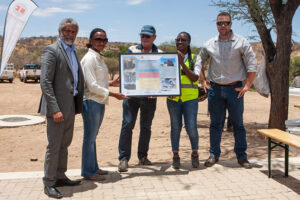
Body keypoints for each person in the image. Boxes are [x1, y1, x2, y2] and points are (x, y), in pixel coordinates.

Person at [199, 12, 257, 169]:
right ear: (216, 25)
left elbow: (252, 64)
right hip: (215, 90)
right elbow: (200, 62)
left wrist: (247, 86)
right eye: (219, 23)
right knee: (215, 124)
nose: (222, 26)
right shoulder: (210, 43)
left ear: (231, 24)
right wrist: (203, 81)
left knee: (238, 124)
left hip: (234, 89)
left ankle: (242, 157)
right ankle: (214, 155)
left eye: (225, 23)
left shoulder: (241, 42)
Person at [39, 18, 84, 199]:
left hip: (70, 105)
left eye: (73, 32)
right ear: (60, 32)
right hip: (57, 108)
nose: (70, 34)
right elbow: (45, 82)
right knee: (54, 145)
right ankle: (49, 183)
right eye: (67, 31)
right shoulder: (51, 50)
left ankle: (60, 176)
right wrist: (54, 109)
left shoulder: (73, 51)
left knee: (64, 144)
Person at [80, 28, 127, 180]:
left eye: (104, 40)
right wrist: (113, 94)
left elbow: (99, 81)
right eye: (98, 39)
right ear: (91, 40)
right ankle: (88, 172)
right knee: (89, 137)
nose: (101, 42)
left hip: (99, 101)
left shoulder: (99, 57)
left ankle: (93, 167)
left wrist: (111, 84)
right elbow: (92, 85)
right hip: (91, 102)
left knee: (93, 136)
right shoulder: (89, 59)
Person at [118, 25, 162, 172]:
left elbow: (162, 77)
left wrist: (158, 90)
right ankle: (124, 159)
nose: (144, 39)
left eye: (147, 36)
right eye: (142, 36)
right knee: (127, 125)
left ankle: (143, 156)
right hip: (132, 97)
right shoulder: (132, 50)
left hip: (150, 97)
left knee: (146, 127)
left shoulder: (160, 53)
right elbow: (128, 71)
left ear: (154, 37)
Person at [167, 32, 201, 169]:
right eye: (178, 39)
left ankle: (195, 153)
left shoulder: (195, 58)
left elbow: (195, 78)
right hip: (173, 100)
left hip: (190, 99)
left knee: (191, 128)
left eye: (183, 40)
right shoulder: (168, 59)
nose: (180, 42)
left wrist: (182, 63)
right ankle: (175, 156)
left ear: (188, 42)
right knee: (175, 128)